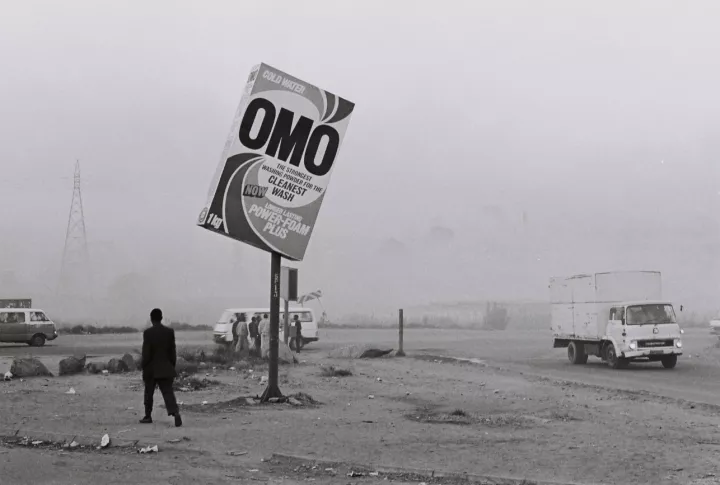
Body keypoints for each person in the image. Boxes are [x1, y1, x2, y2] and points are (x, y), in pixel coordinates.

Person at [140, 308, 181, 427]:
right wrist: (171, 366)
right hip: (165, 367)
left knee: (149, 393)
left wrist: (143, 366)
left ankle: (148, 416)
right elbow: (173, 352)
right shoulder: (169, 332)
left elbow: (146, 353)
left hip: (151, 369)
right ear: (161, 318)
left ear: (151, 319)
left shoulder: (148, 333)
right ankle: (175, 413)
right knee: (168, 393)